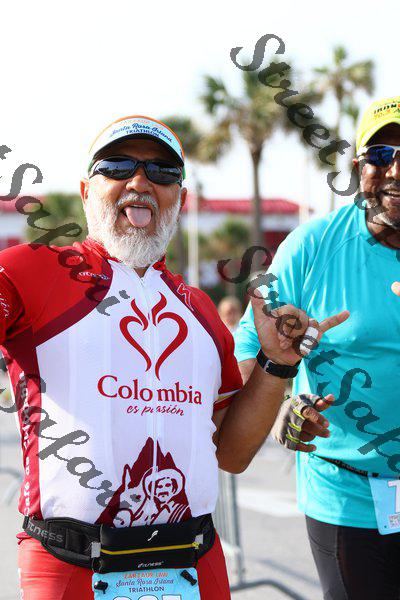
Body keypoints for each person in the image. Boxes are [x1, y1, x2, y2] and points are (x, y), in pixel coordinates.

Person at [0, 115, 346, 600]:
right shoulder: (32, 270)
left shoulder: (200, 309)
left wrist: (277, 363)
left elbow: (232, 453)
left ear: (179, 199)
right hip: (71, 566)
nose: (140, 182)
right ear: (85, 190)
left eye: (162, 172)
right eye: (117, 167)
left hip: (193, 564)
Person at [234, 96, 400, 600]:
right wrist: (282, 405)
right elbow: (249, 351)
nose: (395, 170)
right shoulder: (313, 246)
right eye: (380, 155)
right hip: (348, 494)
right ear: (359, 167)